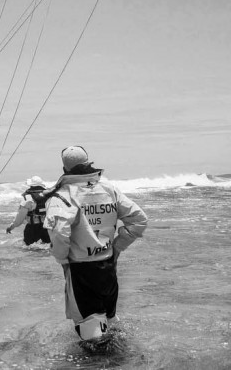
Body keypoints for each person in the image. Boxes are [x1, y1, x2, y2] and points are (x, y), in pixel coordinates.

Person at [44, 146, 147, 341]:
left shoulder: (62, 195)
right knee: (109, 322)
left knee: (91, 336)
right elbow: (139, 220)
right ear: (87, 163)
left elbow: (59, 233)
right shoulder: (109, 189)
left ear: (64, 169)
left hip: (81, 271)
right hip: (108, 267)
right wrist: (117, 248)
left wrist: (62, 259)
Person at [6, 176, 52, 246]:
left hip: (33, 228)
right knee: (47, 248)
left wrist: (11, 227)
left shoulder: (27, 198)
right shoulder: (49, 196)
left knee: (28, 249)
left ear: (30, 185)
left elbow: (19, 219)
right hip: (47, 227)